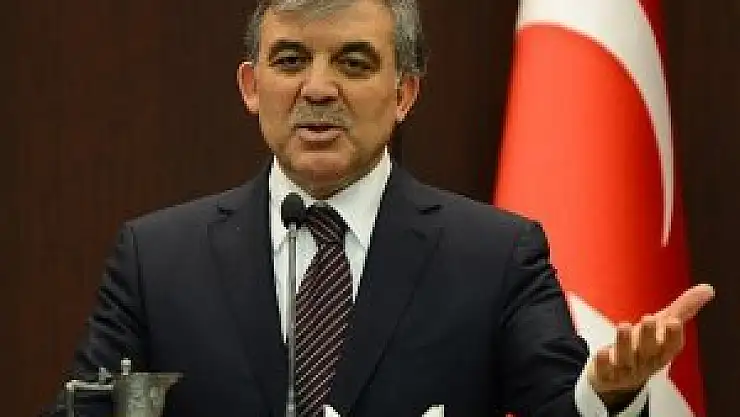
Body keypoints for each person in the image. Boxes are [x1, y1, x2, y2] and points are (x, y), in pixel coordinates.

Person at [44, 0, 714, 416]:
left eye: (354, 63)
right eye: (291, 60)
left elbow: (557, 408)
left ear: (404, 93)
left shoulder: (494, 257)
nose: (318, 88)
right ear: (252, 86)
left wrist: (611, 394)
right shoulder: (157, 259)